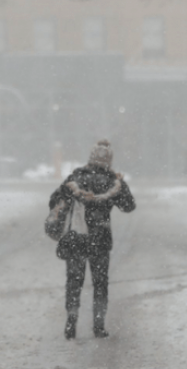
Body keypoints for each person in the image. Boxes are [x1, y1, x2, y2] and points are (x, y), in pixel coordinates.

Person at [48, 139, 136, 339]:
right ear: (109, 160)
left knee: (74, 281)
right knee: (100, 283)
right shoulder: (113, 182)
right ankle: (98, 325)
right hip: (101, 239)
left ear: (91, 157)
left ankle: (71, 321)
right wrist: (121, 186)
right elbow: (129, 206)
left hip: (77, 238)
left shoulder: (76, 177)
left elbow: (54, 200)